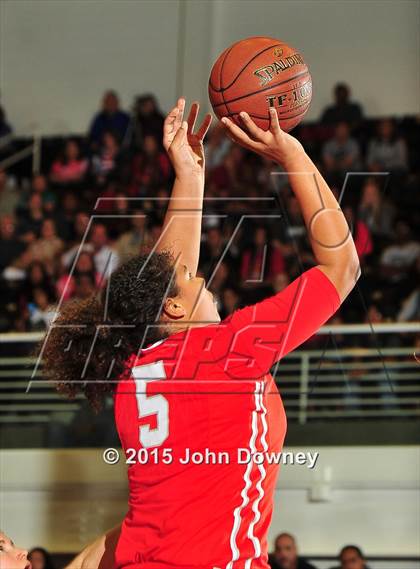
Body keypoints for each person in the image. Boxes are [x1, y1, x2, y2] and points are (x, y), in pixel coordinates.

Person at [44, 100, 359, 569]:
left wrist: (189, 176)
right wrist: (293, 156)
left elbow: (170, 276)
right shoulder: (228, 349)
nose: (203, 279)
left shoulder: (134, 371)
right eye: (198, 282)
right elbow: (343, 266)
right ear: (172, 308)